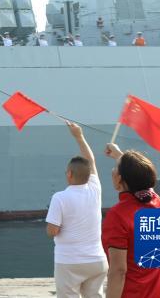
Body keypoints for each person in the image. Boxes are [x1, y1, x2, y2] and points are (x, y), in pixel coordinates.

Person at [45, 122, 107, 298]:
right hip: (97, 260)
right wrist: (79, 136)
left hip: (69, 262)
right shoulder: (95, 188)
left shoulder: (59, 198)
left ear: (69, 174)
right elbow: (91, 161)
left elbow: (52, 231)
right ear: (89, 175)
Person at [102, 143, 160, 298]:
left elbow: (118, 271)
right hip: (157, 292)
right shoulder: (157, 202)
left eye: (115, 168)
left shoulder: (117, 215)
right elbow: (140, 176)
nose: (112, 171)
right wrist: (119, 155)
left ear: (119, 179)